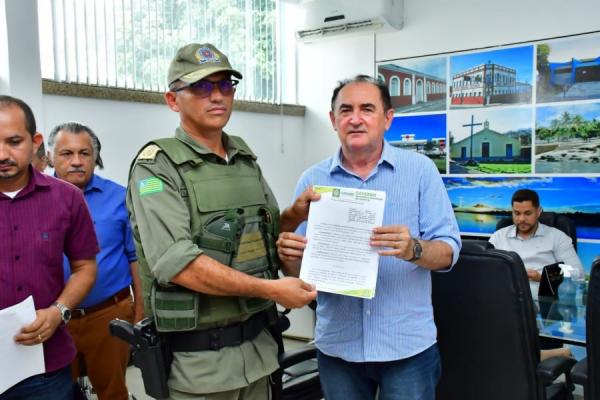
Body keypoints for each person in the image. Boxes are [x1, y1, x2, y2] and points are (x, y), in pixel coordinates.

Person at [126, 42, 317, 399]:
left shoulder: (244, 159)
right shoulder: (155, 168)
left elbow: (267, 235)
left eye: (225, 85)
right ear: (172, 100)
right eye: (200, 87)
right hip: (199, 367)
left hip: (260, 353)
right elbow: (178, 263)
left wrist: (295, 214)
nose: (216, 96)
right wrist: (272, 290)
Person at [276, 75, 462, 400]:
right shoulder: (313, 179)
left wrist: (412, 249)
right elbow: (300, 277)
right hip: (338, 348)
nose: (356, 118)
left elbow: (448, 252)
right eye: (346, 110)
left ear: (387, 118)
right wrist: (289, 257)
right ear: (333, 120)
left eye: (367, 109)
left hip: (407, 348)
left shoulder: (420, 171)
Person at [0, 95, 98, 399]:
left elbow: (85, 267)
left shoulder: (67, 198)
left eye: (14, 141)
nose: (2, 154)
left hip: (44, 369)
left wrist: (58, 311)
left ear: (35, 141)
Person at [48, 122, 143, 400]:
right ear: (51, 156)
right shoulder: (35, 199)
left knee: (113, 391)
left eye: (85, 153)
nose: (76, 161)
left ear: (95, 158)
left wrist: (140, 312)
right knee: (56, 393)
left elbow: (135, 258)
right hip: (52, 320)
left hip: (108, 316)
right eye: (67, 153)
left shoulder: (119, 197)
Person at [489, 188, 584, 297]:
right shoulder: (498, 236)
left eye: (527, 213)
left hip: (542, 299)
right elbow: (486, 270)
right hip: (505, 295)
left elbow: (578, 273)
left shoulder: (557, 237)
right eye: (517, 213)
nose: (521, 219)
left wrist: (543, 277)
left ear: (539, 211)